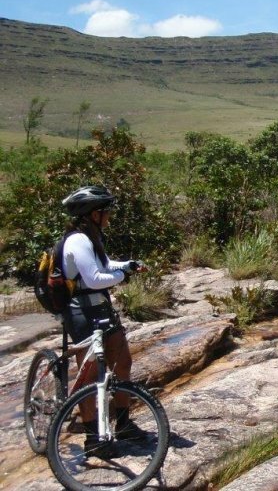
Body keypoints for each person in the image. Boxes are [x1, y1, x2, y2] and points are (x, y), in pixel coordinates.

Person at [60, 184, 145, 458]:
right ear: (92, 213)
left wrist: (127, 265)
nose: (109, 216)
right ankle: (93, 438)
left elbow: (105, 266)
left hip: (101, 309)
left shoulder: (91, 237)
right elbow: (95, 279)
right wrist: (124, 277)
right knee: (88, 375)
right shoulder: (77, 241)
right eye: (105, 211)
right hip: (81, 313)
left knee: (122, 362)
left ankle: (122, 423)